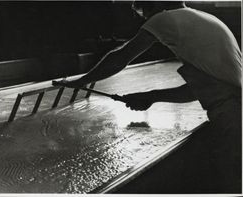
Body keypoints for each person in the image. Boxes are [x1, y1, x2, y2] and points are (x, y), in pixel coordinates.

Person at [53, 1, 241, 191]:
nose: (145, 20)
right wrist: (151, 96)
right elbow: (205, 90)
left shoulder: (164, 18)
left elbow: (121, 57)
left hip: (231, 118)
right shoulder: (206, 19)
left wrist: (82, 81)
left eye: (143, 12)